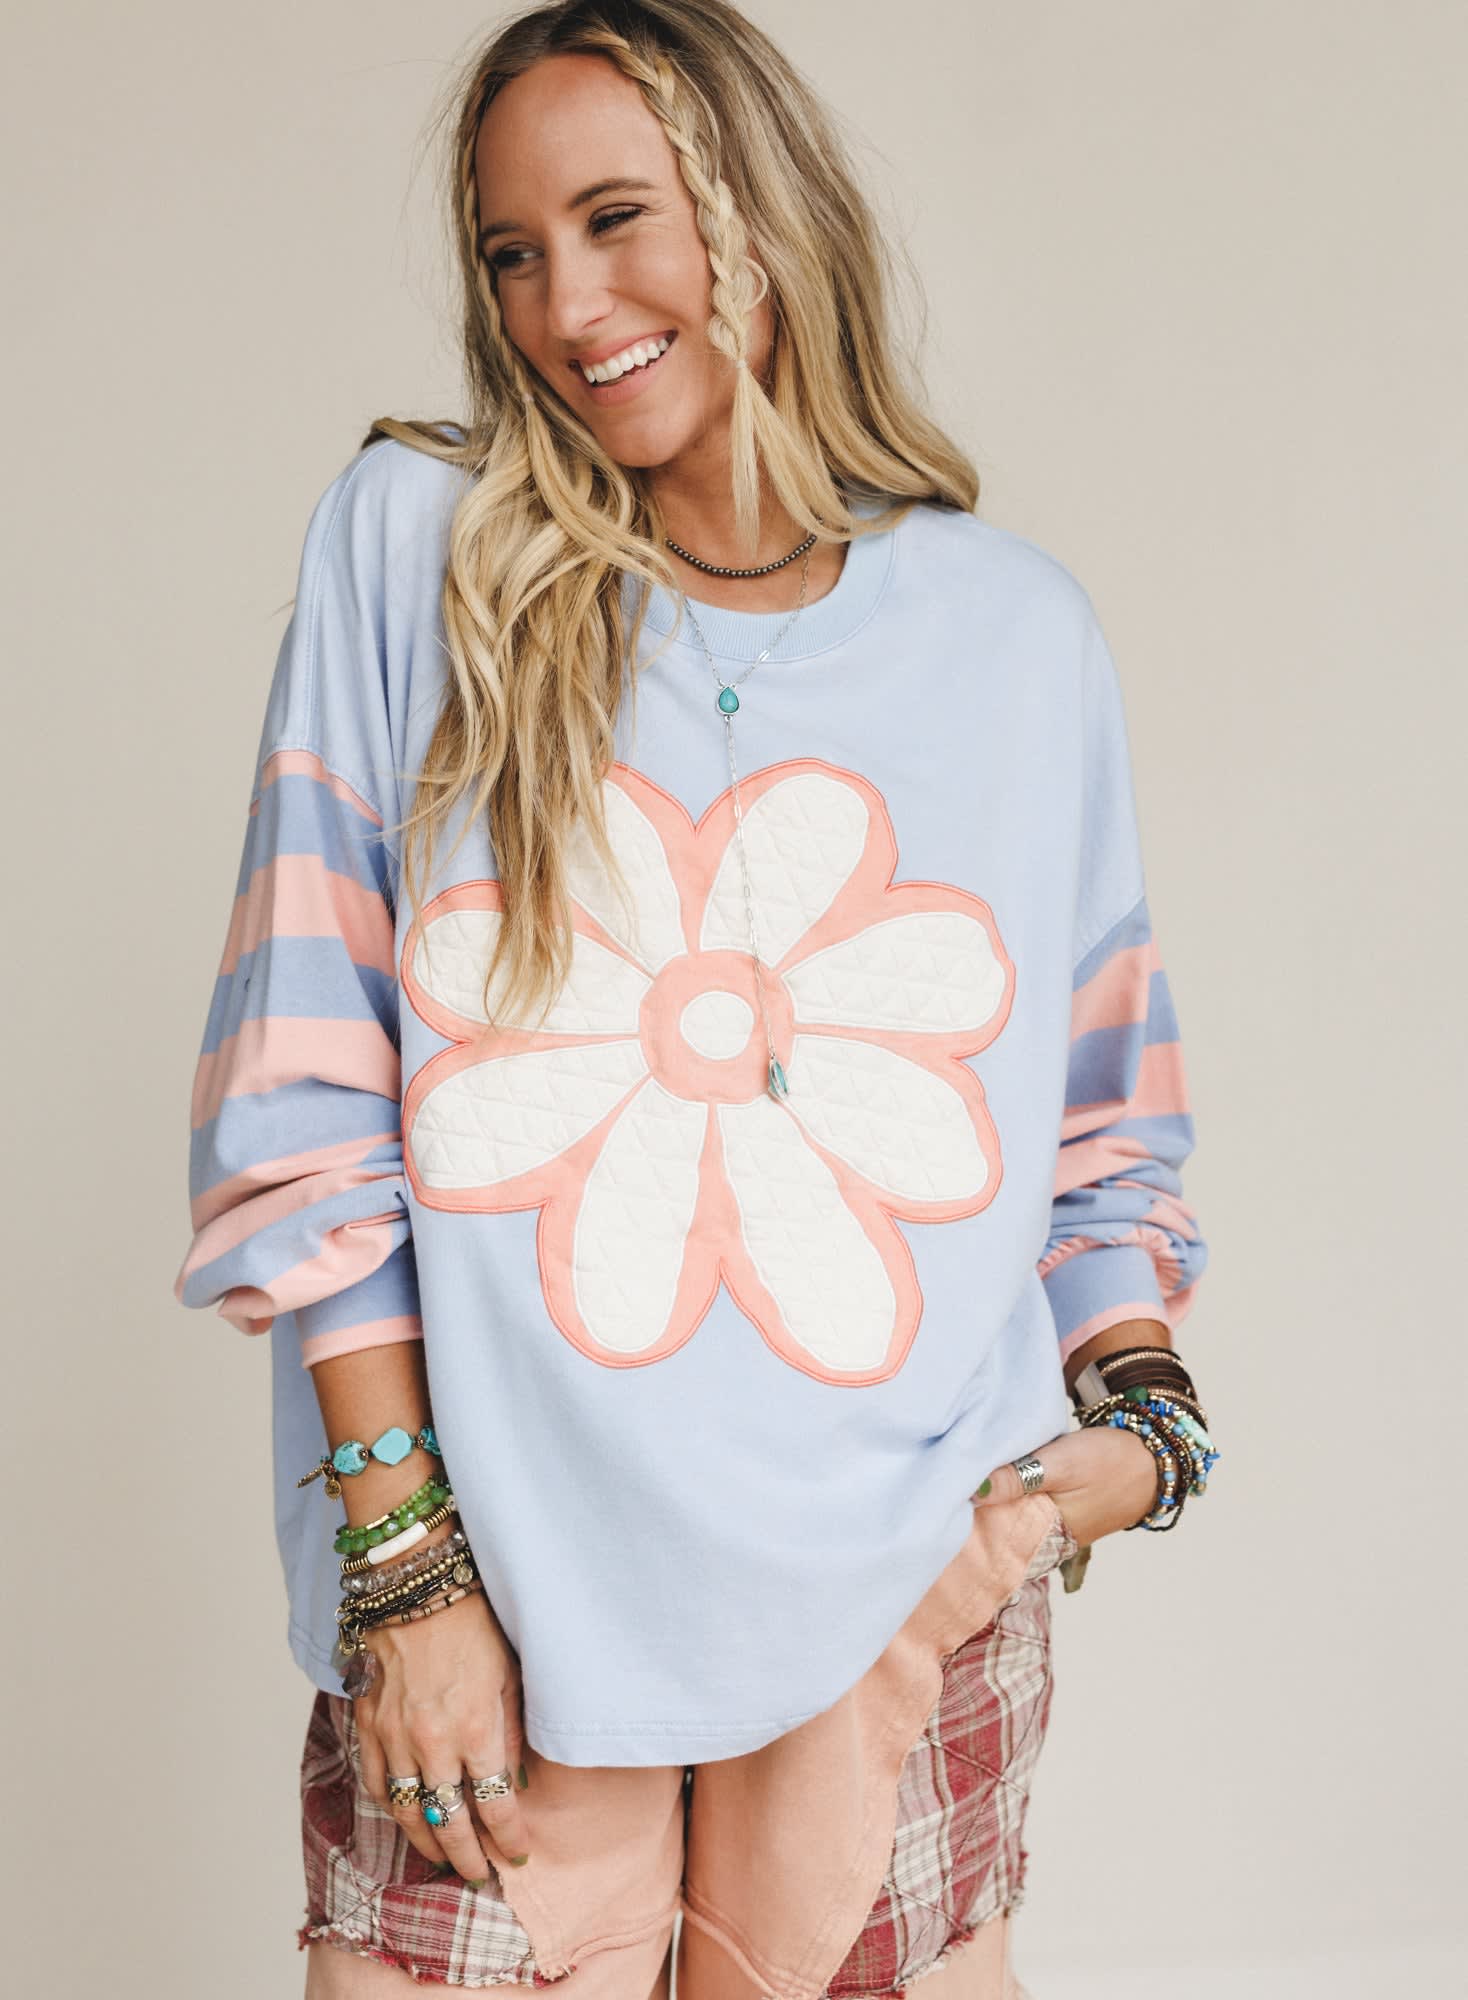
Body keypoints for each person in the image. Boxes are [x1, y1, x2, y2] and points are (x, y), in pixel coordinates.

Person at [174, 2, 1217, 1993]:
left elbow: (1099, 1127)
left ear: (757, 207)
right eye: (511, 252)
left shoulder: (1013, 637)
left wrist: (1140, 1430)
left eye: (613, 218)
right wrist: (403, 1570)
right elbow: (305, 1097)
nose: (566, 305)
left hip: (911, 1585)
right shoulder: (423, 551)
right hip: (494, 1595)